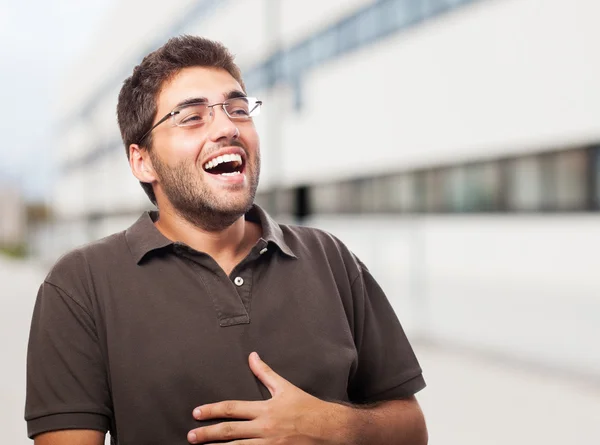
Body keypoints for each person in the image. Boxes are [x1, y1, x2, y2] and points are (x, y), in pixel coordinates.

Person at [25, 35, 427, 445]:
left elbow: (412, 429)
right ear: (142, 161)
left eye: (238, 109)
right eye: (192, 116)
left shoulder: (331, 258)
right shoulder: (80, 284)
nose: (228, 127)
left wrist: (328, 426)